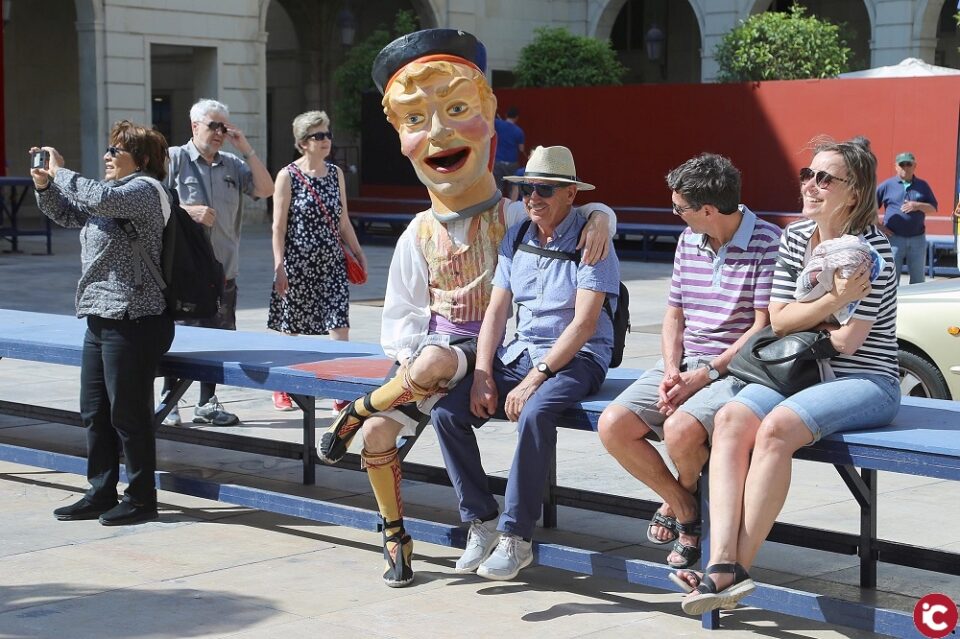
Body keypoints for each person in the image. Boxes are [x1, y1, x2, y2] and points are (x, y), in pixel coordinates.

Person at [316, 28, 617, 588]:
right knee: (381, 433)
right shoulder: (417, 233)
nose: (438, 133)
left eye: (457, 109)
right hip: (435, 361)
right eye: (415, 119)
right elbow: (402, 315)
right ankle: (396, 536)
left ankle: (355, 410)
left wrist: (603, 215)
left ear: (491, 114)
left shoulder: (517, 219)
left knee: (437, 372)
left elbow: (572, 216)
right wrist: (415, 366)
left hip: (490, 355)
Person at [678, 138, 899, 615]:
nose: (810, 185)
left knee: (776, 427)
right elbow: (778, 321)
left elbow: (848, 343)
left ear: (854, 193)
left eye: (825, 179)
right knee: (730, 419)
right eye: (807, 174)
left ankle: (731, 571)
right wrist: (835, 301)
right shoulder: (796, 238)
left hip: (866, 381)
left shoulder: (872, 250)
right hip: (800, 372)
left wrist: (809, 316)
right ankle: (720, 558)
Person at [432, 145, 620, 582]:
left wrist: (535, 378)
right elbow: (496, 312)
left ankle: (516, 537)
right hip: (522, 353)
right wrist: (482, 373)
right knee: (446, 412)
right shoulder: (517, 236)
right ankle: (481, 518)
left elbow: (584, 325)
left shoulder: (592, 239)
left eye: (544, 189)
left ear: (571, 194)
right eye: (527, 188)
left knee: (536, 413)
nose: (533, 197)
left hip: (579, 357)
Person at [597, 153, 781, 570]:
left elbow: (762, 327)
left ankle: (681, 498)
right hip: (685, 362)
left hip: (737, 367)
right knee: (613, 425)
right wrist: (671, 369)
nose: (675, 214)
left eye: (679, 208)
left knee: (680, 430)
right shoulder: (688, 240)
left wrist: (705, 374)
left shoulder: (768, 242)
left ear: (709, 210)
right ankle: (685, 505)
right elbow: (674, 314)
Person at [31, 121, 175, 526]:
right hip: (99, 316)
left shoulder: (145, 191)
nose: (107, 156)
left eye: (116, 151)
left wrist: (61, 171)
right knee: (94, 411)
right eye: (108, 150)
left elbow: (97, 197)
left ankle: (142, 498)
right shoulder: (113, 194)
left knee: (128, 414)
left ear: (140, 159)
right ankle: (100, 491)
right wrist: (45, 186)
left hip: (134, 317)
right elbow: (67, 213)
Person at [161, 98, 274, 426]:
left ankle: (207, 403)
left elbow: (266, 189)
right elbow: (152, 202)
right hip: (183, 272)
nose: (220, 133)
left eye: (224, 127)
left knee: (218, 340)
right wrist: (187, 211)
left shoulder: (232, 164)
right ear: (194, 126)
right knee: (180, 340)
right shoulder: (175, 159)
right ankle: (169, 402)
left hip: (223, 270)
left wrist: (246, 149)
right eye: (213, 126)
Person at [267, 110, 366, 411]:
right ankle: (282, 385)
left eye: (328, 135)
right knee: (291, 326)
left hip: (332, 264)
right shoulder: (287, 176)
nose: (326, 140)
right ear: (303, 142)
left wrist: (357, 251)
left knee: (339, 325)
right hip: (298, 264)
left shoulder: (335, 174)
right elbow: (278, 227)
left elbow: (343, 220)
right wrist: (279, 266)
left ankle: (340, 390)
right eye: (319, 136)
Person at [877, 151, 937, 284]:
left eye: (908, 164)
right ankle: (893, 298)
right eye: (902, 164)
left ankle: (917, 299)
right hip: (894, 239)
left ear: (914, 166)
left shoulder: (923, 186)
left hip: (917, 240)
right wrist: (878, 226)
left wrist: (917, 205)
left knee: (918, 280)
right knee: (891, 280)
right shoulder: (887, 185)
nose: (905, 167)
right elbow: (869, 207)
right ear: (896, 167)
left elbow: (933, 208)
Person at [493, 106, 525, 192]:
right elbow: (521, 149)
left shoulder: (497, 123)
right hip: (511, 163)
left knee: (497, 187)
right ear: (516, 117)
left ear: (506, 114)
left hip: (498, 162)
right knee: (513, 187)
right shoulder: (519, 131)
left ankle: (498, 201)